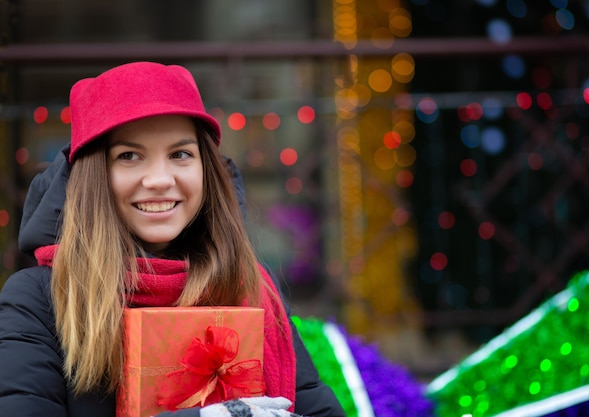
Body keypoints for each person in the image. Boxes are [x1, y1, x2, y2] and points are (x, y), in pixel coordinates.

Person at [0, 61, 345, 417]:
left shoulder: (252, 287)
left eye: (180, 154)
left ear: (205, 169)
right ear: (94, 177)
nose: (160, 179)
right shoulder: (40, 299)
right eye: (129, 156)